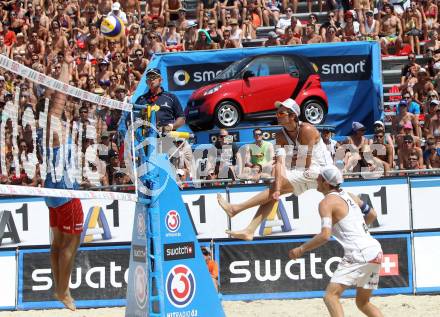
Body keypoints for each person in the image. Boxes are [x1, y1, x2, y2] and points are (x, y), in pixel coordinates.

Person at [217, 98, 333, 240]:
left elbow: (305, 163)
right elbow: (280, 163)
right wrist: (277, 188)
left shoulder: (306, 129)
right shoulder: (280, 136)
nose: (276, 115)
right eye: (277, 113)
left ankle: (236, 209)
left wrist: (290, 164)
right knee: (275, 189)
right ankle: (249, 230)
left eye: (280, 113)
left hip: (323, 172)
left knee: (278, 185)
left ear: (293, 116)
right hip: (306, 171)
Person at [288, 165, 383, 317]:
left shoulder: (326, 203)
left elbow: (325, 235)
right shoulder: (350, 195)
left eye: (319, 178)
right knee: (363, 302)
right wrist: (358, 229)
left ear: (326, 183)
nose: (316, 180)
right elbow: (372, 214)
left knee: (330, 297)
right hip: (374, 250)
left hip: (358, 253)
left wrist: (301, 249)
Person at [134, 68, 185, 133]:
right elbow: (133, 119)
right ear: (146, 82)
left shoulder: (171, 97)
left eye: (154, 77)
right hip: (147, 137)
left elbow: (182, 118)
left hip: (167, 137)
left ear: (160, 80)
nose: (151, 80)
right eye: (148, 78)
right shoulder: (141, 99)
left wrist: (170, 127)